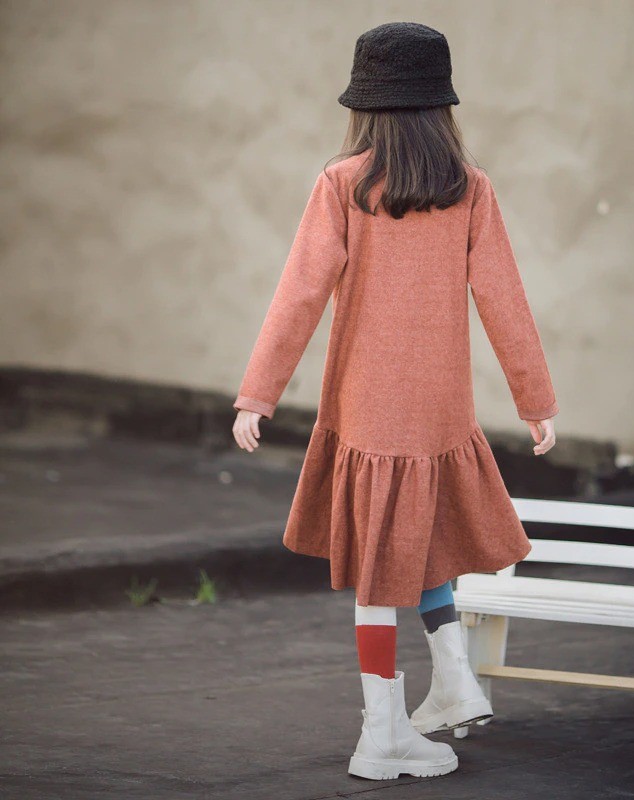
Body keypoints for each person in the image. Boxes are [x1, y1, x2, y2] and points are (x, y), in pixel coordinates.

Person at [231, 21, 558, 781]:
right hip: (441, 411)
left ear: (365, 106)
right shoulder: (469, 189)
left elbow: (300, 294)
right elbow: (504, 299)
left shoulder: (342, 184)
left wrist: (259, 395)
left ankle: (381, 734)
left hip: (369, 410)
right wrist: (535, 399)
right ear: (441, 105)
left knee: (381, 564)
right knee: (429, 534)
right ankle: (454, 680)